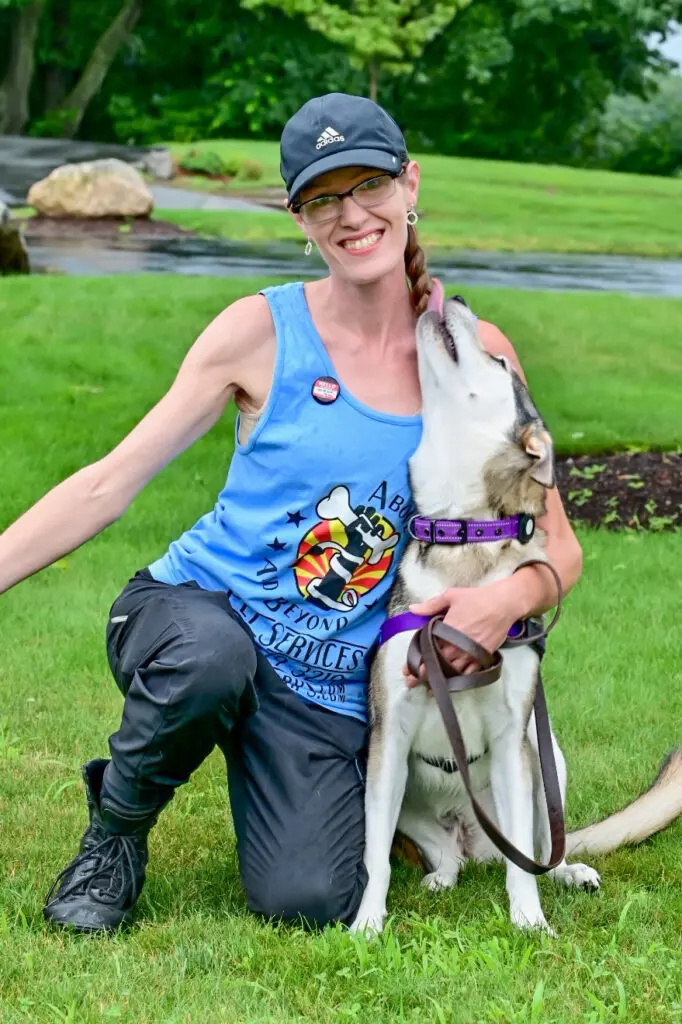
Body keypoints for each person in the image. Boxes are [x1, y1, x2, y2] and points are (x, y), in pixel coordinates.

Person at [1, 93, 582, 934]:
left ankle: (281, 770)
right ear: (297, 216)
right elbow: (108, 484)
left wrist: (506, 600)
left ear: (410, 183)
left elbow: (557, 549)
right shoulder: (258, 331)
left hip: (326, 685)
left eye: (370, 186)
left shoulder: (473, 356)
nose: (352, 216)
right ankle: (115, 837)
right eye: (323, 198)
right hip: (197, 616)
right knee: (211, 658)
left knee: (308, 899)